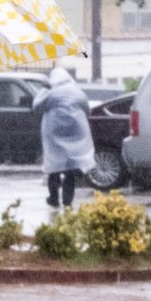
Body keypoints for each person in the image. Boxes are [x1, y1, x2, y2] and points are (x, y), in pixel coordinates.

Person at [39, 63, 94, 210]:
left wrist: (44, 88)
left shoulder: (51, 94)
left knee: (54, 167)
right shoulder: (79, 93)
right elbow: (87, 111)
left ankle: (54, 198)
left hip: (54, 136)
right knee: (70, 170)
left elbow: (36, 106)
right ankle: (68, 201)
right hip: (75, 134)